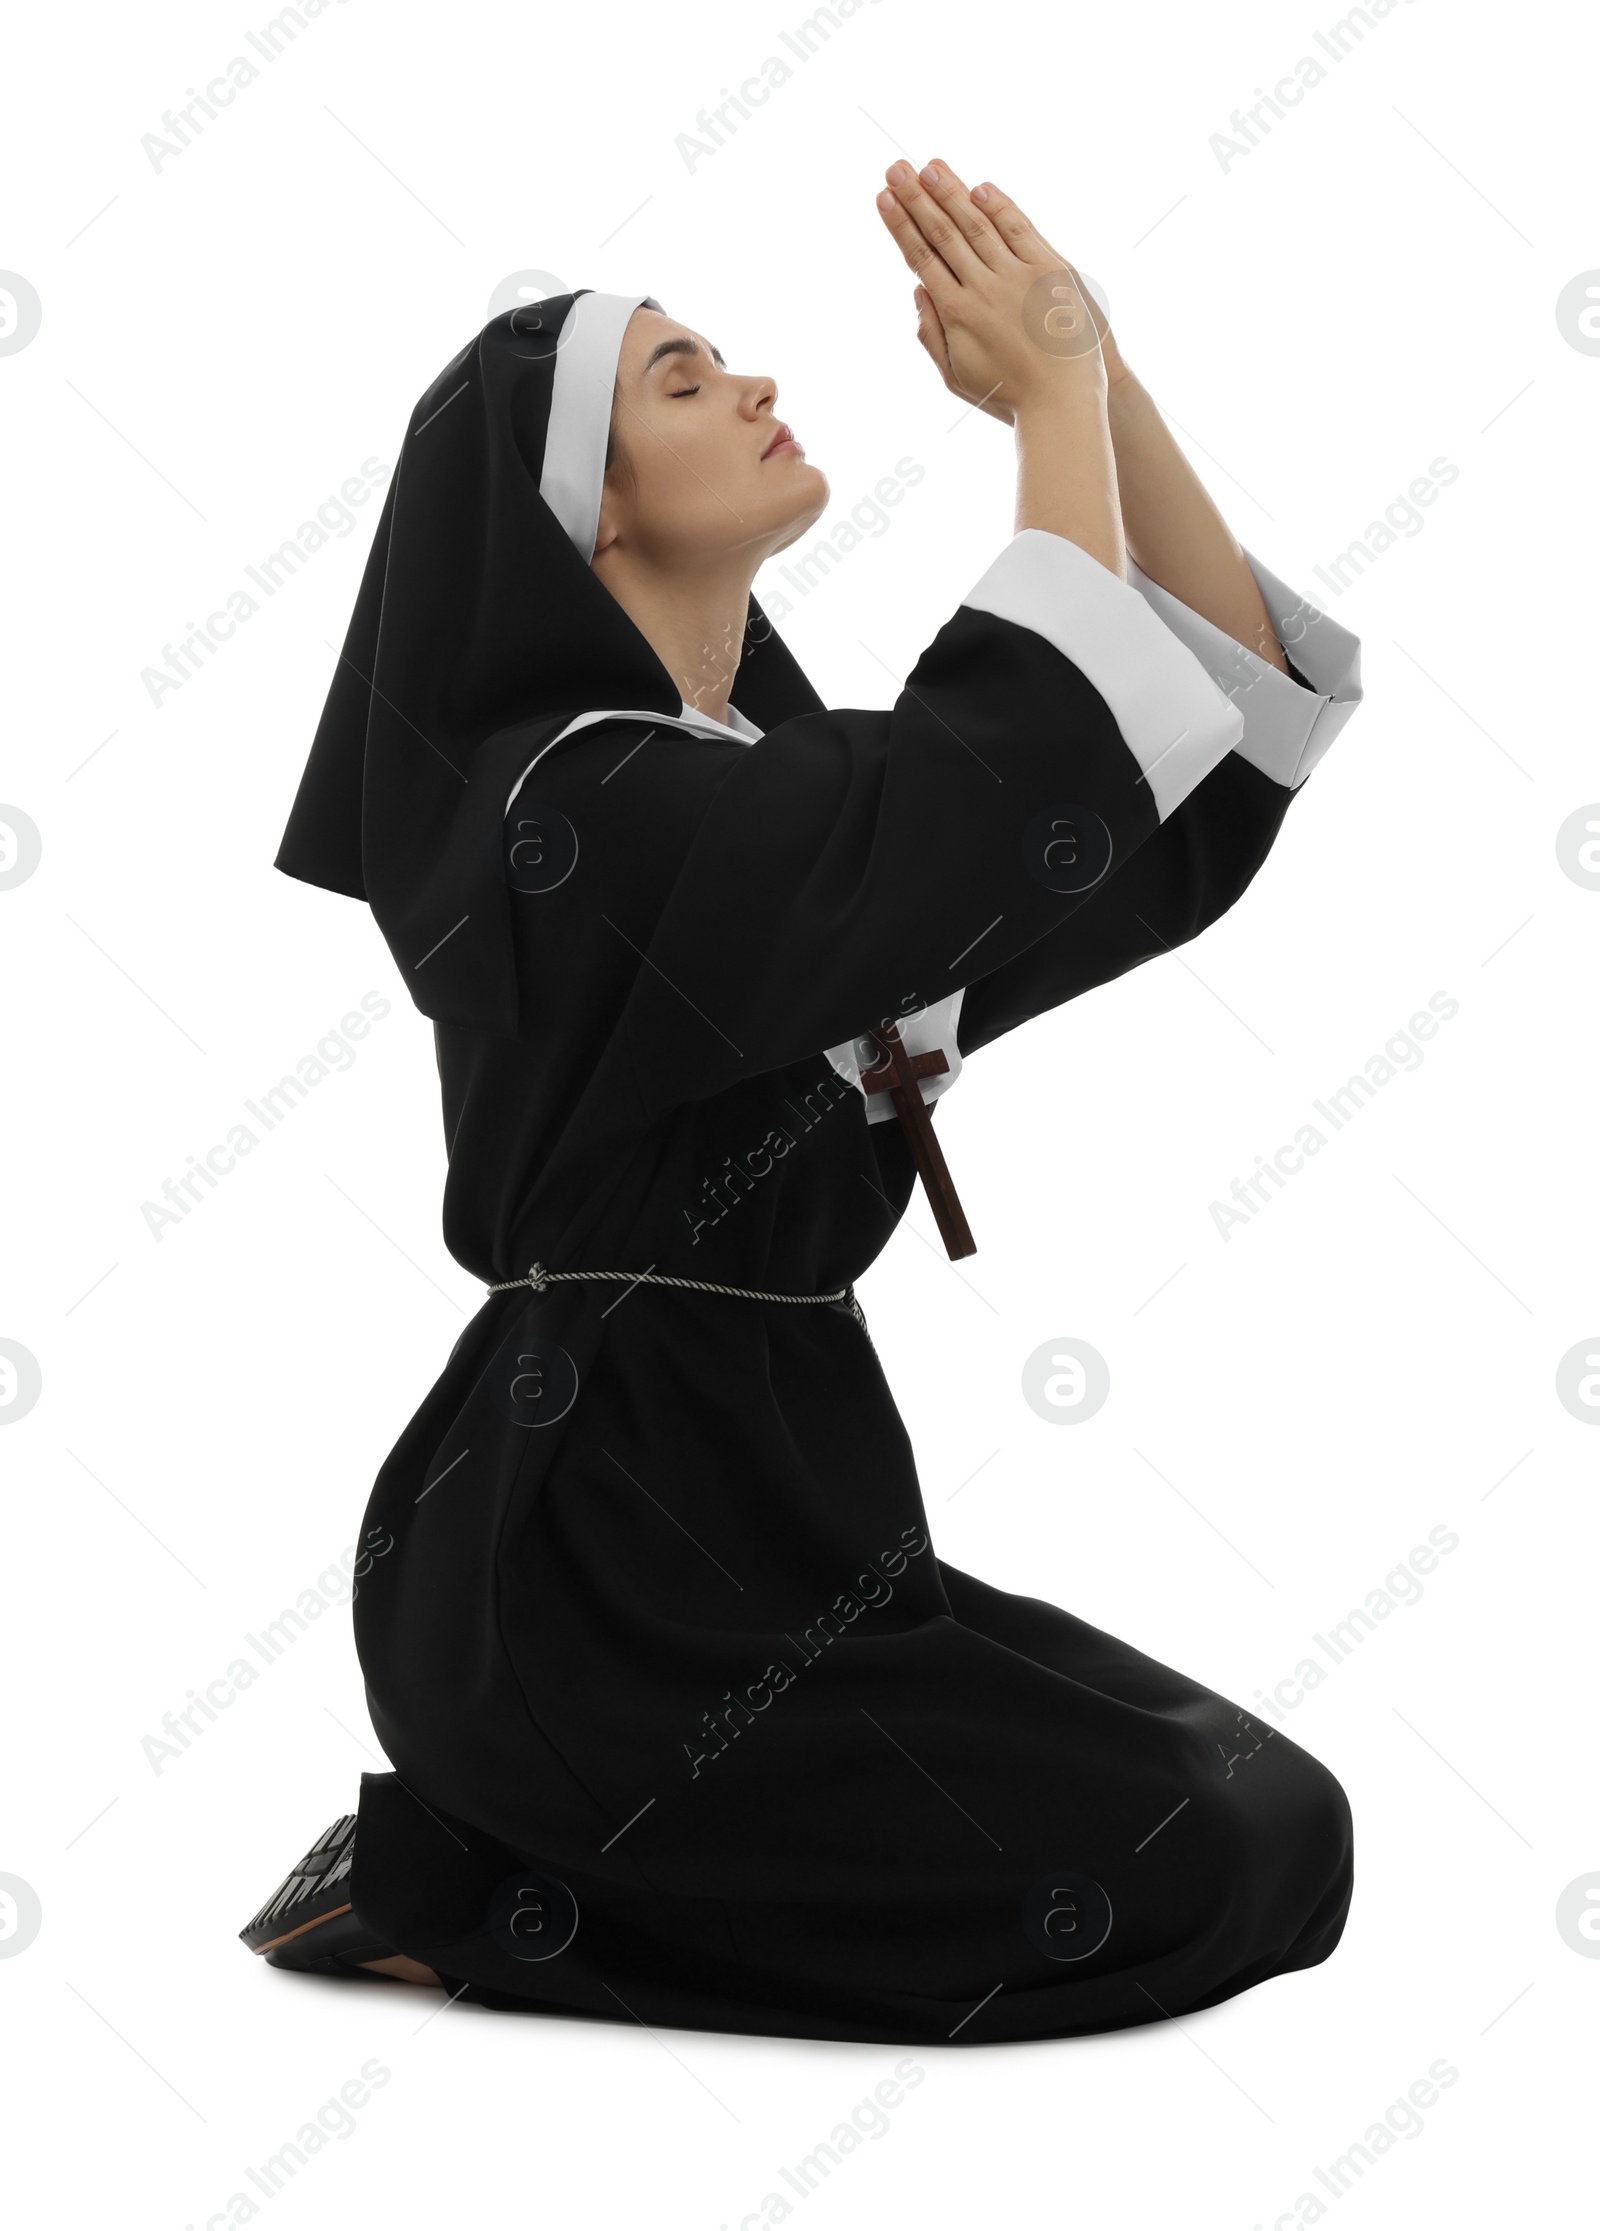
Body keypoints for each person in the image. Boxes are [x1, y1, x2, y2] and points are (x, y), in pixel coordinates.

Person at [243, 156, 1362, 2044]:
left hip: (799, 1521)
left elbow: (1137, 816)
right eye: (683, 382)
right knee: (1194, 1856)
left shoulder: (754, 789)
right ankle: (473, 1871)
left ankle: (509, 1869)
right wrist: (1048, 405)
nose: (754, 386)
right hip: (583, 1566)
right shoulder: (560, 811)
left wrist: (1102, 372)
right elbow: (977, 792)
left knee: (1272, 1816)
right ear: (578, 504)